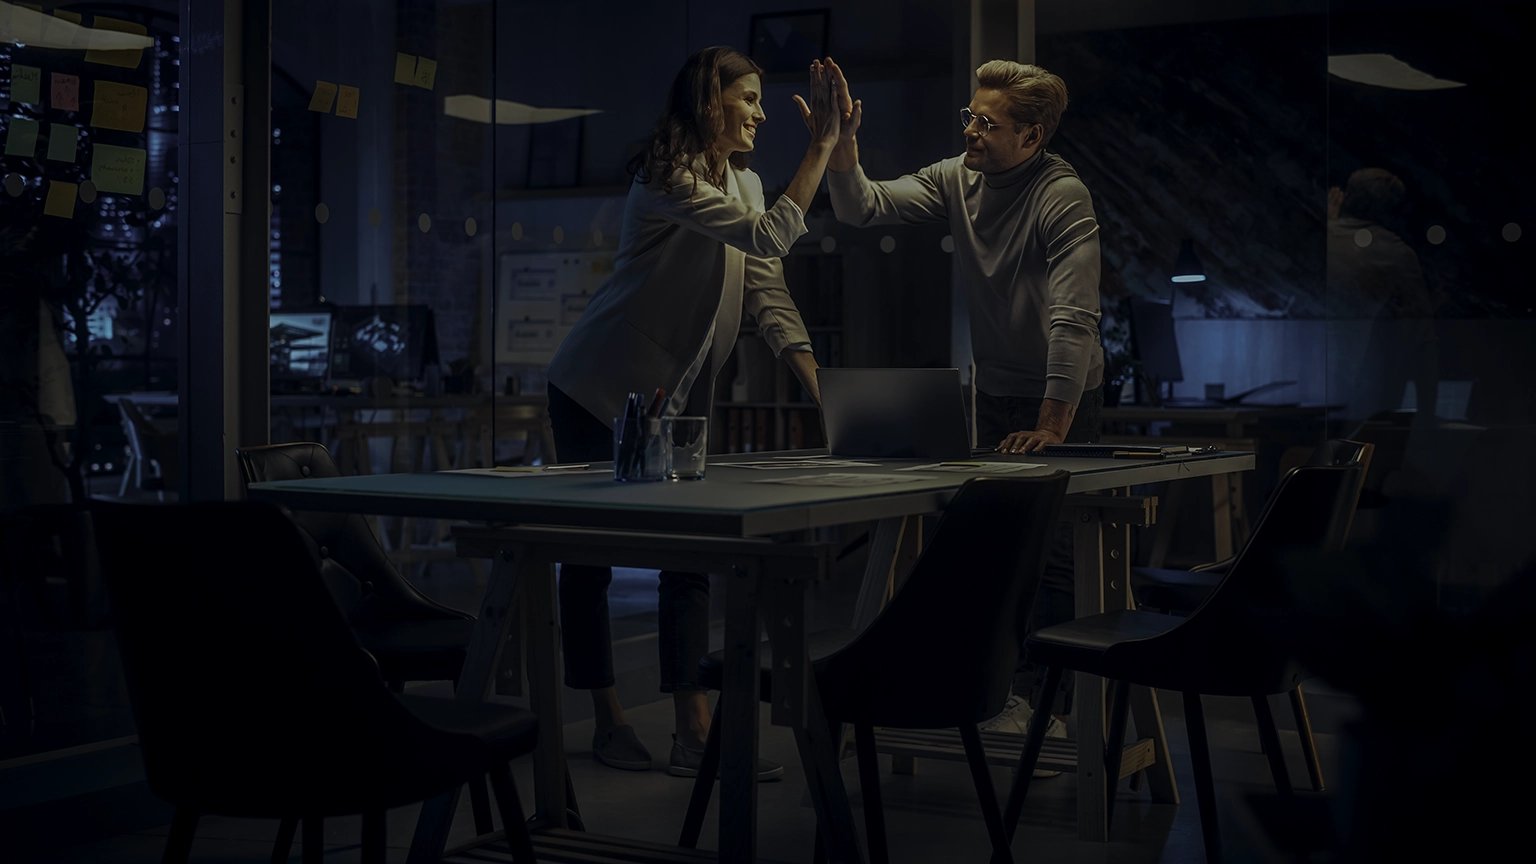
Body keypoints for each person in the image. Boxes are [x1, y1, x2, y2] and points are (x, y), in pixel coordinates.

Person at [544, 45, 841, 779]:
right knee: (588, 560)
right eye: (748, 100)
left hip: (676, 400)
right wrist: (825, 148)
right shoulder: (665, 177)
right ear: (711, 104)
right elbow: (772, 233)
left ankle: (693, 730)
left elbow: (767, 286)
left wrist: (820, 384)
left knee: (689, 561)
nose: (761, 115)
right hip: (600, 385)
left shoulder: (746, 181)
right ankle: (608, 718)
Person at [818, 58, 1103, 755]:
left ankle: (1049, 714)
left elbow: (1072, 319)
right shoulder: (957, 177)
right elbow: (861, 208)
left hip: (1062, 396)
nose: (972, 131)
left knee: (1056, 555)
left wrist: (1051, 425)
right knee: (995, 549)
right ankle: (995, 694)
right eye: (970, 118)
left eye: (988, 123)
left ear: (1032, 137)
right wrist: (842, 145)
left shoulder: (1062, 195)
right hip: (999, 387)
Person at [1325, 167, 1438, 431]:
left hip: (1323, 387)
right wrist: (1428, 414)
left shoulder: (1322, 238)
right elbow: (1423, 336)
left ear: (1346, 197)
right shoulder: (1397, 254)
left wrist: (1331, 223)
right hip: (1368, 393)